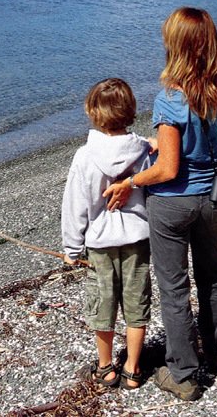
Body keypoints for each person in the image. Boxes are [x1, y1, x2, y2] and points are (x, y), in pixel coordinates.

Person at [105, 7, 217, 402]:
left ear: (175, 45)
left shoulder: (170, 98)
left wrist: (129, 181)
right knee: (212, 277)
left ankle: (182, 373)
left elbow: (166, 169)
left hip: (172, 204)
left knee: (174, 288)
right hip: (211, 199)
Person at [61, 78, 157, 389]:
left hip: (101, 244)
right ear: (130, 111)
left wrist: (71, 249)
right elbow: (152, 185)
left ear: (92, 112)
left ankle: (105, 367)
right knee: (136, 302)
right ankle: (132, 367)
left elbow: (75, 206)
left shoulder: (85, 156)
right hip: (137, 239)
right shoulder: (142, 150)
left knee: (103, 302)